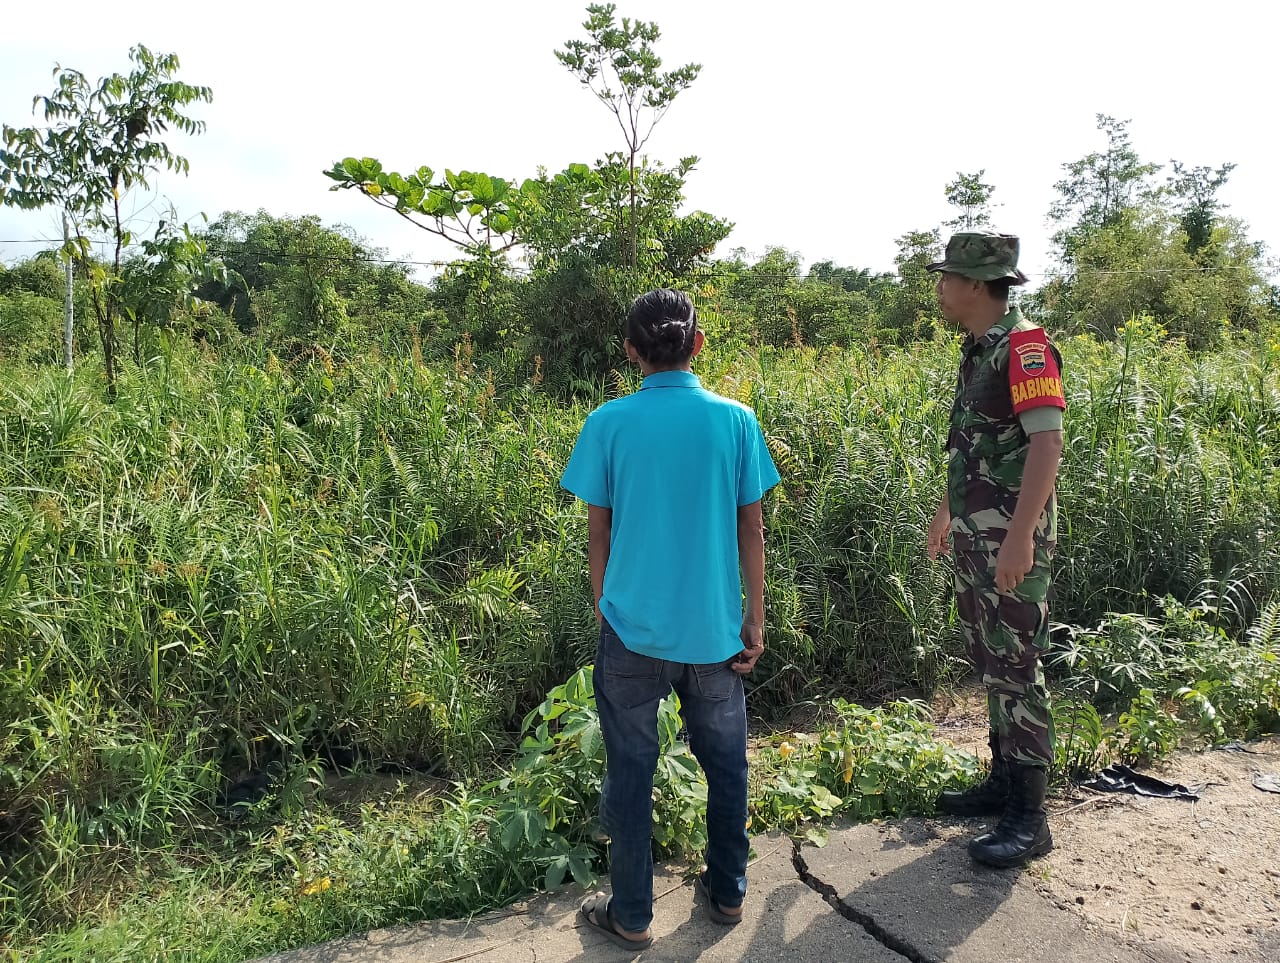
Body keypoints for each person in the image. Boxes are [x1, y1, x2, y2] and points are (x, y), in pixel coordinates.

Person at [560, 288, 780, 951]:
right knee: (727, 765)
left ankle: (631, 913)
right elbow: (752, 528)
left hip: (631, 630)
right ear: (698, 345)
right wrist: (755, 618)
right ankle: (728, 892)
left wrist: (606, 600)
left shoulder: (608, 421)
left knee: (629, 770)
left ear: (631, 350)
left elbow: (598, 530)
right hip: (714, 632)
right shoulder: (736, 420)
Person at [924, 231, 1066, 868]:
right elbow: (977, 446)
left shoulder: (1026, 347)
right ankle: (1003, 785)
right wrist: (947, 511)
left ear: (978, 285)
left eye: (948, 278)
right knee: (991, 661)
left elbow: (1046, 447)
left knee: (1017, 668)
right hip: (977, 534)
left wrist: (1019, 538)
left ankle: (1030, 818)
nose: (940, 288)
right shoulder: (979, 349)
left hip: (1009, 538)